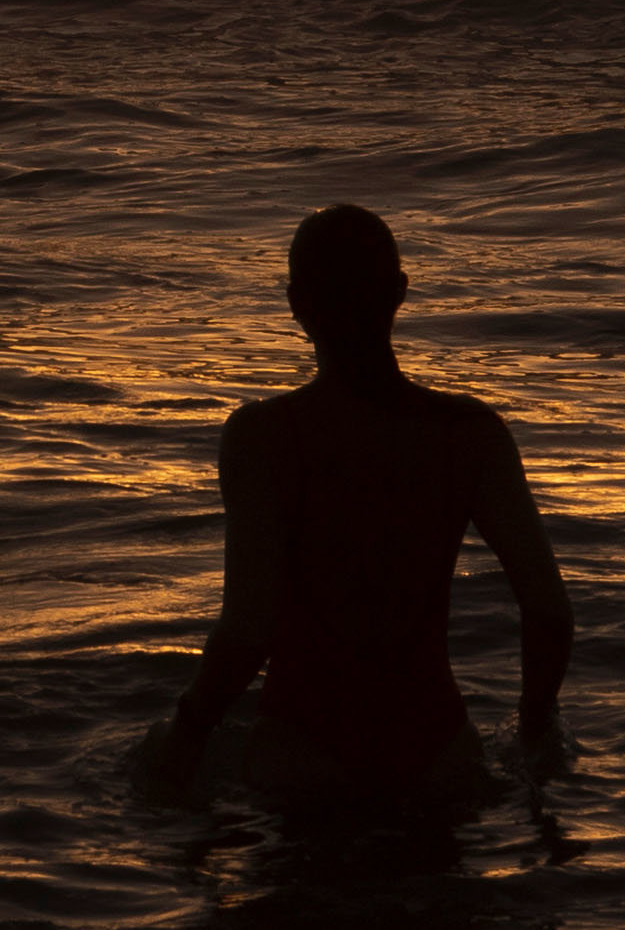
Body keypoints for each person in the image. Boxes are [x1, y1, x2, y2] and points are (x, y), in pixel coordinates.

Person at [137, 206, 571, 809]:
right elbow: (548, 611)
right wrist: (533, 731)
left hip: (304, 753)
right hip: (437, 752)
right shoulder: (470, 433)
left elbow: (247, 630)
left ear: (296, 304)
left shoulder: (265, 436)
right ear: (399, 292)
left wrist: (184, 734)